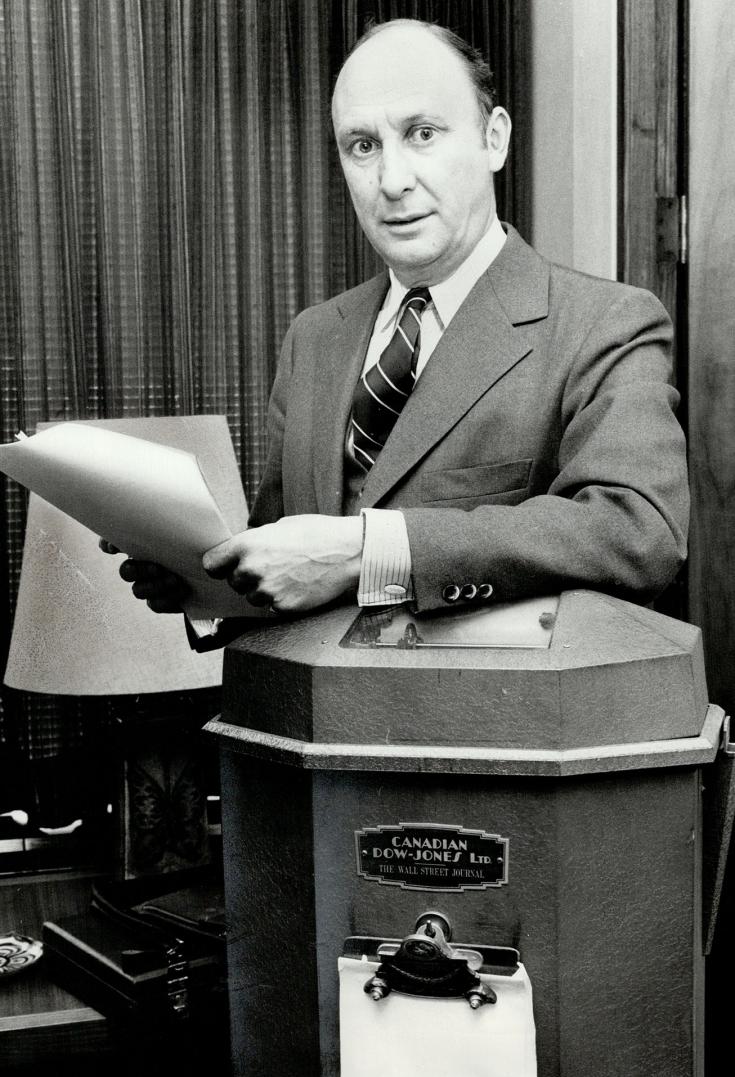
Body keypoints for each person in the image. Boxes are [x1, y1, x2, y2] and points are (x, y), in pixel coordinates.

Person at [110, 18, 688, 643]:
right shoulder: (314, 338)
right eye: (363, 145)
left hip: (482, 730)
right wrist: (207, 584)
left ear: (494, 140)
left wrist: (370, 552)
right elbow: (291, 567)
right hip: (308, 731)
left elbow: (637, 533)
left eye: (422, 134)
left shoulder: (606, 324)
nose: (392, 180)